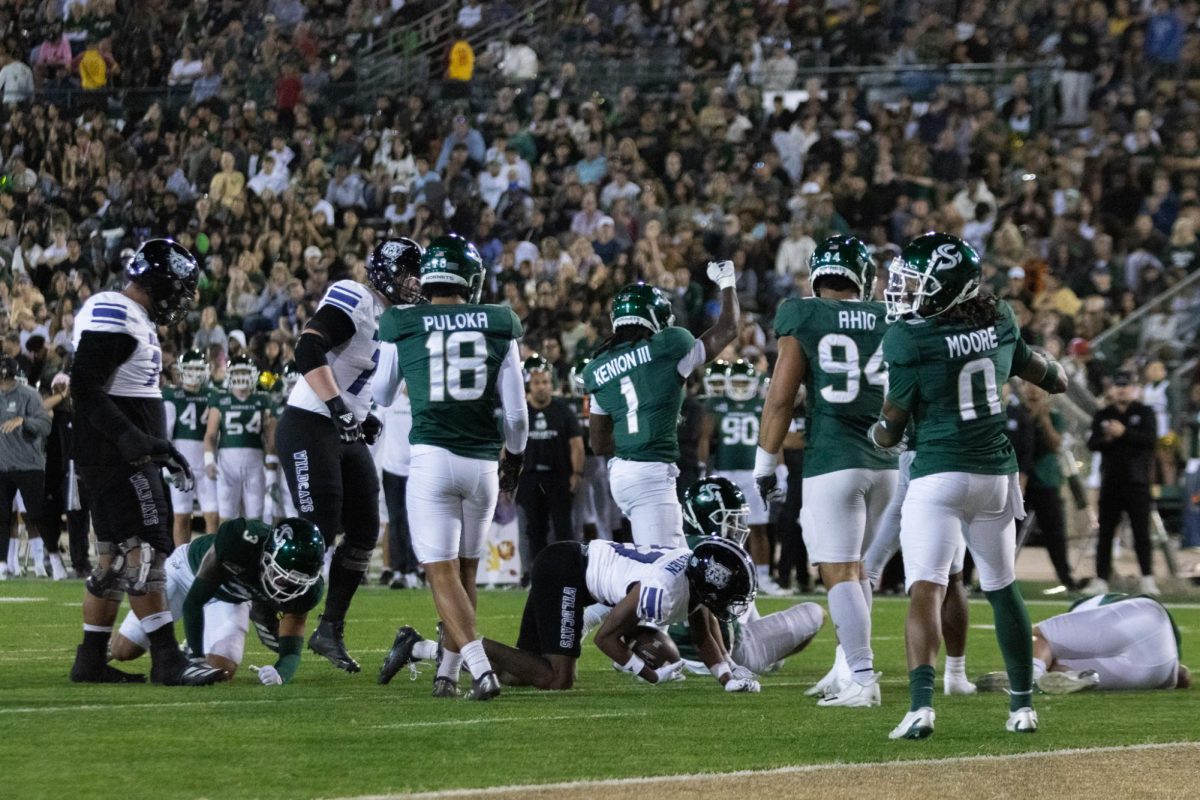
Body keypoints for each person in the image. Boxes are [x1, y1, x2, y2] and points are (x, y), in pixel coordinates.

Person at [868, 232, 1068, 739]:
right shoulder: (998, 317)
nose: (905, 291)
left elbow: (891, 427)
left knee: (926, 587)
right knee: (1002, 588)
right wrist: (1054, 373)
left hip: (939, 473)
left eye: (917, 283)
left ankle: (920, 707)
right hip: (997, 477)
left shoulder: (909, 338)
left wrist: (878, 431)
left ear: (945, 286)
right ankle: (1022, 708)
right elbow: (1042, 371)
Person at [375, 234, 528, 701]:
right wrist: (514, 460)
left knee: (441, 573)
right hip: (482, 464)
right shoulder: (500, 322)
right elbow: (518, 417)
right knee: (465, 571)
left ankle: (481, 670)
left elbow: (381, 394)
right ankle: (447, 672)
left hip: (432, 460)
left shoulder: (403, 320)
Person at [67, 238, 224, 686]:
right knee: (146, 550)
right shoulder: (114, 309)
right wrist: (134, 440)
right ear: (160, 281)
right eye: (179, 287)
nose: (182, 298)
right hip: (116, 456)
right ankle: (167, 658)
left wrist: (155, 443)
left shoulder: (130, 315)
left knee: (115, 560)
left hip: (119, 452)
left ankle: (91, 659)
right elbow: (85, 386)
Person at [754, 235, 896, 708]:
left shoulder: (804, 314)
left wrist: (765, 461)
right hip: (886, 461)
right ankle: (845, 667)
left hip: (833, 459)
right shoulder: (887, 315)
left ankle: (861, 676)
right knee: (856, 573)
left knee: (838, 572)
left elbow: (779, 398)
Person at [274, 236, 424, 673]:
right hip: (310, 420)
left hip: (344, 428)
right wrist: (339, 406)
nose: (412, 283)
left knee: (362, 528)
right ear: (383, 272)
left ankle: (329, 628)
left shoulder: (394, 317)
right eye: (406, 274)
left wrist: (364, 413)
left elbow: (361, 375)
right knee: (317, 530)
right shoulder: (356, 297)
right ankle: (263, 602)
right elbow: (308, 347)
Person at [379, 536, 763, 694]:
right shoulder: (662, 590)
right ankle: (456, 639)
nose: (732, 601)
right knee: (556, 678)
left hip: (575, 573)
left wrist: (729, 678)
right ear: (711, 582)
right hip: (566, 572)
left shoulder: (690, 583)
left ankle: (420, 648)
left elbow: (704, 637)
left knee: (518, 674)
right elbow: (606, 638)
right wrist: (650, 673)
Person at [582, 263, 740, 547]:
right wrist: (727, 280)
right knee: (664, 569)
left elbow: (598, 442)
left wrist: (634, 441)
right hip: (650, 473)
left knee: (667, 559)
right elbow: (728, 328)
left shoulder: (598, 365)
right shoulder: (668, 345)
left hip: (621, 473)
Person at [111, 517, 325, 685]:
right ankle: (103, 646)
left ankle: (188, 650)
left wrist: (280, 674)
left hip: (231, 597)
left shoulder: (307, 590)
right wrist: (195, 661)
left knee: (222, 670)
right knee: (124, 651)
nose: (288, 586)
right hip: (187, 573)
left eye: (296, 582)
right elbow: (194, 601)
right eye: (282, 576)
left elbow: (291, 649)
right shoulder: (241, 541)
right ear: (269, 555)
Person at [861, 421, 977, 697]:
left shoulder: (912, 377)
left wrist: (879, 432)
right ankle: (955, 674)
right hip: (958, 464)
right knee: (952, 576)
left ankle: (854, 669)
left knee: (867, 570)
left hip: (923, 464)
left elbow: (888, 429)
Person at [669, 477, 825, 676]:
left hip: (670, 653)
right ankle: (769, 660)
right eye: (729, 519)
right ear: (706, 518)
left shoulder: (670, 545)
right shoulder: (726, 554)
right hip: (726, 656)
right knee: (816, 612)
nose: (737, 526)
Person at [976, 594, 1190, 693]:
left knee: (1037, 635)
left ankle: (1030, 675)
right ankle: (1040, 677)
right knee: (1057, 674)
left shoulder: (1086, 606)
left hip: (1143, 623)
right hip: (1161, 673)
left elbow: (1039, 640)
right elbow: (1183, 675)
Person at [699, 359, 785, 595]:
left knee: (758, 527)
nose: (738, 386)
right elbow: (706, 438)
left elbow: (773, 439)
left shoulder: (761, 405)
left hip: (753, 472)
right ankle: (726, 576)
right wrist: (702, 466)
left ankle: (764, 576)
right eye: (734, 381)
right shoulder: (716, 404)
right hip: (724, 472)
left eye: (742, 382)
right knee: (724, 529)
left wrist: (780, 471)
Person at [1086, 371, 1159, 596]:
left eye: (1126, 386)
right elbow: (1093, 443)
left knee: (1141, 533)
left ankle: (1147, 578)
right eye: (1118, 386)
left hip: (1137, 481)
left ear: (1134, 389)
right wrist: (1108, 438)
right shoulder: (1103, 414)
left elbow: (1149, 441)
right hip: (1111, 481)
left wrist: (1124, 433)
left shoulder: (1144, 413)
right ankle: (1101, 578)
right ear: (1112, 389)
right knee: (1106, 533)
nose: (1122, 390)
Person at [516, 355, 583, 578]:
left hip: (559, 477)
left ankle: (568, 575)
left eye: (545, 382)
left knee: (564, 529)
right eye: (537, 383)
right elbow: (508, 445)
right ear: (529, 385)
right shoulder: (521, 411)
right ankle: (538, 576)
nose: (542, 387)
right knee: (534, 530)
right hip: (530, 477)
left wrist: (577, 473)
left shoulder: (563, 410)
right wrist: (507, 475)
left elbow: (576, 445)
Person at [0, 356, 56, 579]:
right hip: (3, 466)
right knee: (2, 516)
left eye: (8, 379)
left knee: (36, 514)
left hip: (29, 466)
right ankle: (5, 563)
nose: (5, 384)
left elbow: (45, 425)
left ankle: (51, 559)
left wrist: (25, 421)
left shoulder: (30, 395)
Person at [1020, 379, 1077, 591]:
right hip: (1019, 482)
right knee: (1006, 533)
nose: (1032, 389)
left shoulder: (1054, 417)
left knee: (1055, 534)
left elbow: (1055, 445)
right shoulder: (1016, 415)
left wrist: (1043, 419)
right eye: (1027, 384)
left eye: (1036, 385)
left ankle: (1066, 579)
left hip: (1046, 480)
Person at [203, 355, 273, 523]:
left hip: (255, 464)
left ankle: (255, 550)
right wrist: (209, 460)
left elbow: (270, 437)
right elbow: (211, 434)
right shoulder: (220, 399)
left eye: (245, 372)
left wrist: (271, 467)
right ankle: (228, 550)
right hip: (227, 464)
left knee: (255, 520)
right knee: (226, 520)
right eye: (237, 372)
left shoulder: (262, 399)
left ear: (253, 375)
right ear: (230, 374)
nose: (241, 376)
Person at [163, 349, 218, 544]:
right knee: (181, 516)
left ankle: (211, 559)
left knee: (212, 515)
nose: (194, 373)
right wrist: (168, 464)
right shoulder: (171, 395)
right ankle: (181, 561)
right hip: (181, 462)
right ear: (181, 370)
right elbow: (166, 434)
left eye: (197, 368)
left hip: (205, 463)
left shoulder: (212, 394)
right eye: (190, 368)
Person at [565, 355, 620, 542]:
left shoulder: (603, 399)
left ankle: (608, 551)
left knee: (602, 514)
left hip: (597, 460)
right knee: (576, 516)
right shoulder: (567, 404)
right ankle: (576, 553)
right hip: (576, 463)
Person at [377, 360, 418, 589]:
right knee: (395, 520)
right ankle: (397, 569)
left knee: (413, 521)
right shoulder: (388, 402)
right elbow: (375, 430)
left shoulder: (421, 402)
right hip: (392, 469)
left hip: (416, 469)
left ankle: (413, 569)